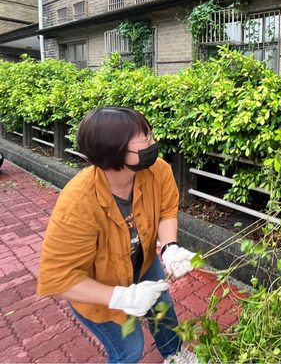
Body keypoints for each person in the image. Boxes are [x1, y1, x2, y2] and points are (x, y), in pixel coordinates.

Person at [37, 106, 197, 363]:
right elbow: (58, 279)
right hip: (99, 287)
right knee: (130, 348)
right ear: (114, 151)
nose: (153, 142)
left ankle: (175, 354)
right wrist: (122, 297)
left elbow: (167, 210)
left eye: (150, 134)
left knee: (162, 306)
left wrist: (170, 247)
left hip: (144, 264)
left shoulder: (159, 171)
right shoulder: (77, 202)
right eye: (145, 138)